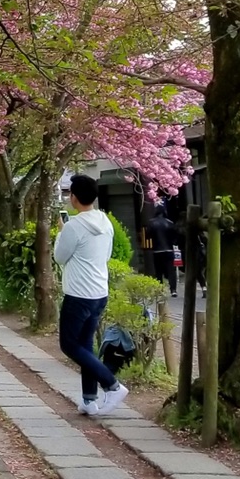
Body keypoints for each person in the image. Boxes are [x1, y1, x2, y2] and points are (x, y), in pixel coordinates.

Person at [53, 173, 127, 416]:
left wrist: (60, 234)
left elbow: (59, 257)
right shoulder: (105, 222)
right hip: (99, 292)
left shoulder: (74, 226)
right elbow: (104, 256)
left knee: (69, 345)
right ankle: (89, 399)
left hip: (78, 294)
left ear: (73, 198)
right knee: (85, 345)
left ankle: (112, 385)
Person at [144, 205, 178, 295]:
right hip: (169, 250)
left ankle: (160, 290)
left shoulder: (151, 223)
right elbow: (175, 237)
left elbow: (147, 236)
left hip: (157, 250)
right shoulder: (170, 223)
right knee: (171, 270)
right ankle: (173, 290)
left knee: (158, 271)